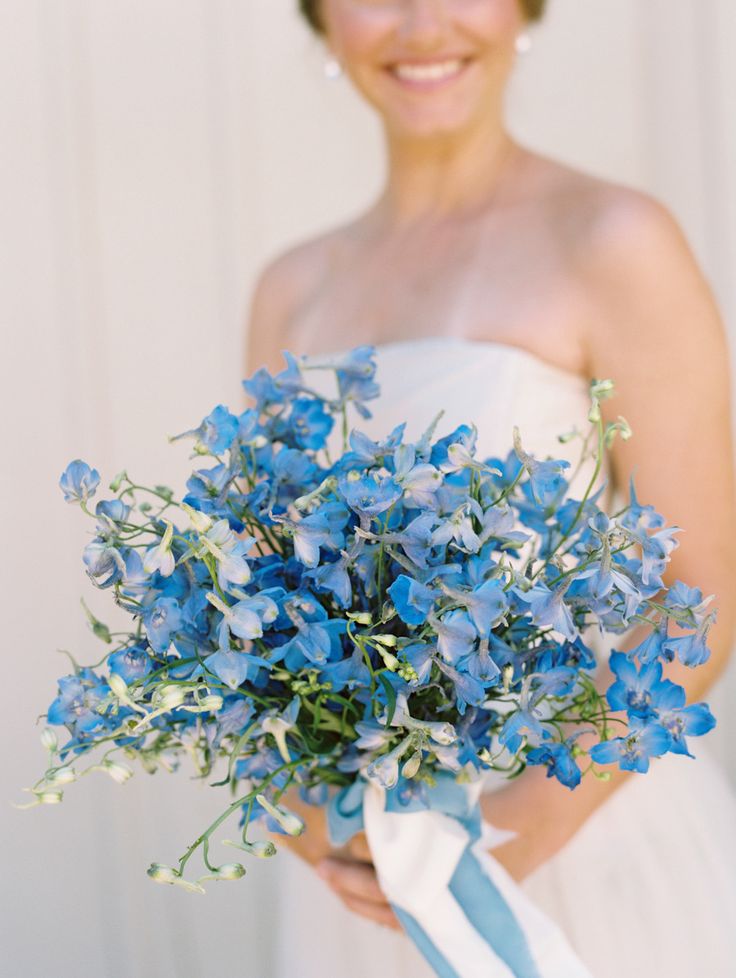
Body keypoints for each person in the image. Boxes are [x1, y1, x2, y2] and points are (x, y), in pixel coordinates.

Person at [244, 2, 736, 975]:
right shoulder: (290, 288)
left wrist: (504, 839)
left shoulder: (612, 238)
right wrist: (305, 812)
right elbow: (264, 606)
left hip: (579, 838)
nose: (423, 24)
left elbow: (700, 587)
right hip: (362, 870)